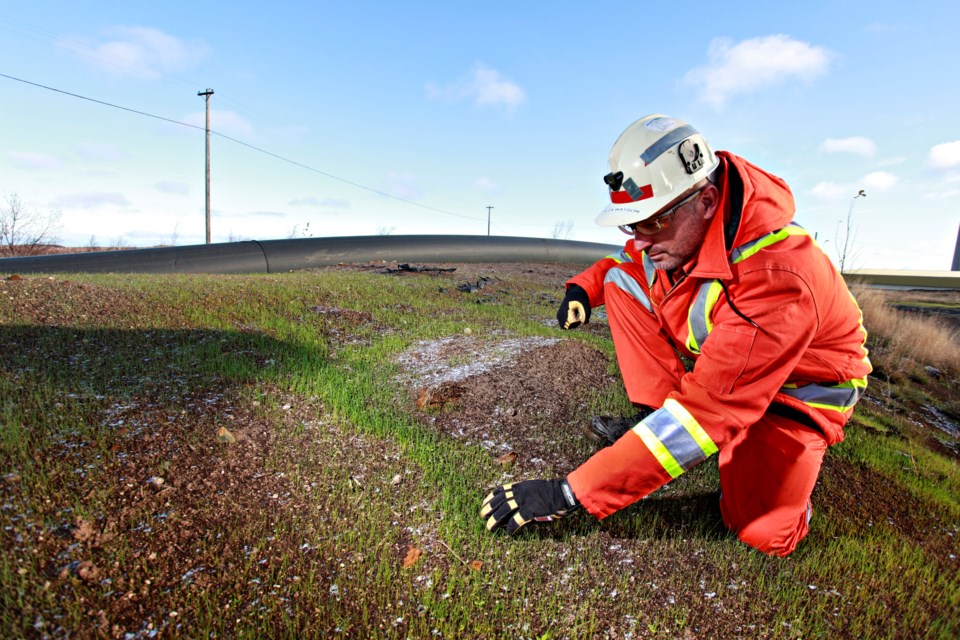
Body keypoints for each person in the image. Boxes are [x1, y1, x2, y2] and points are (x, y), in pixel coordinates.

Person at [481, 114, 872, 556]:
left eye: (651, 223)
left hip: (798, 393)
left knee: (761, 533)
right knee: (622, 285)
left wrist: (569, 493)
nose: (641, 241)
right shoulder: (681, 231)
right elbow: (623, 263)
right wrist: (582, 289)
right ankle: (655, 417)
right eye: (633, 225)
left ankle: (786, 494)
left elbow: (703, 415)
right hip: (734, 371)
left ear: (706, 200)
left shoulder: (777, 279)